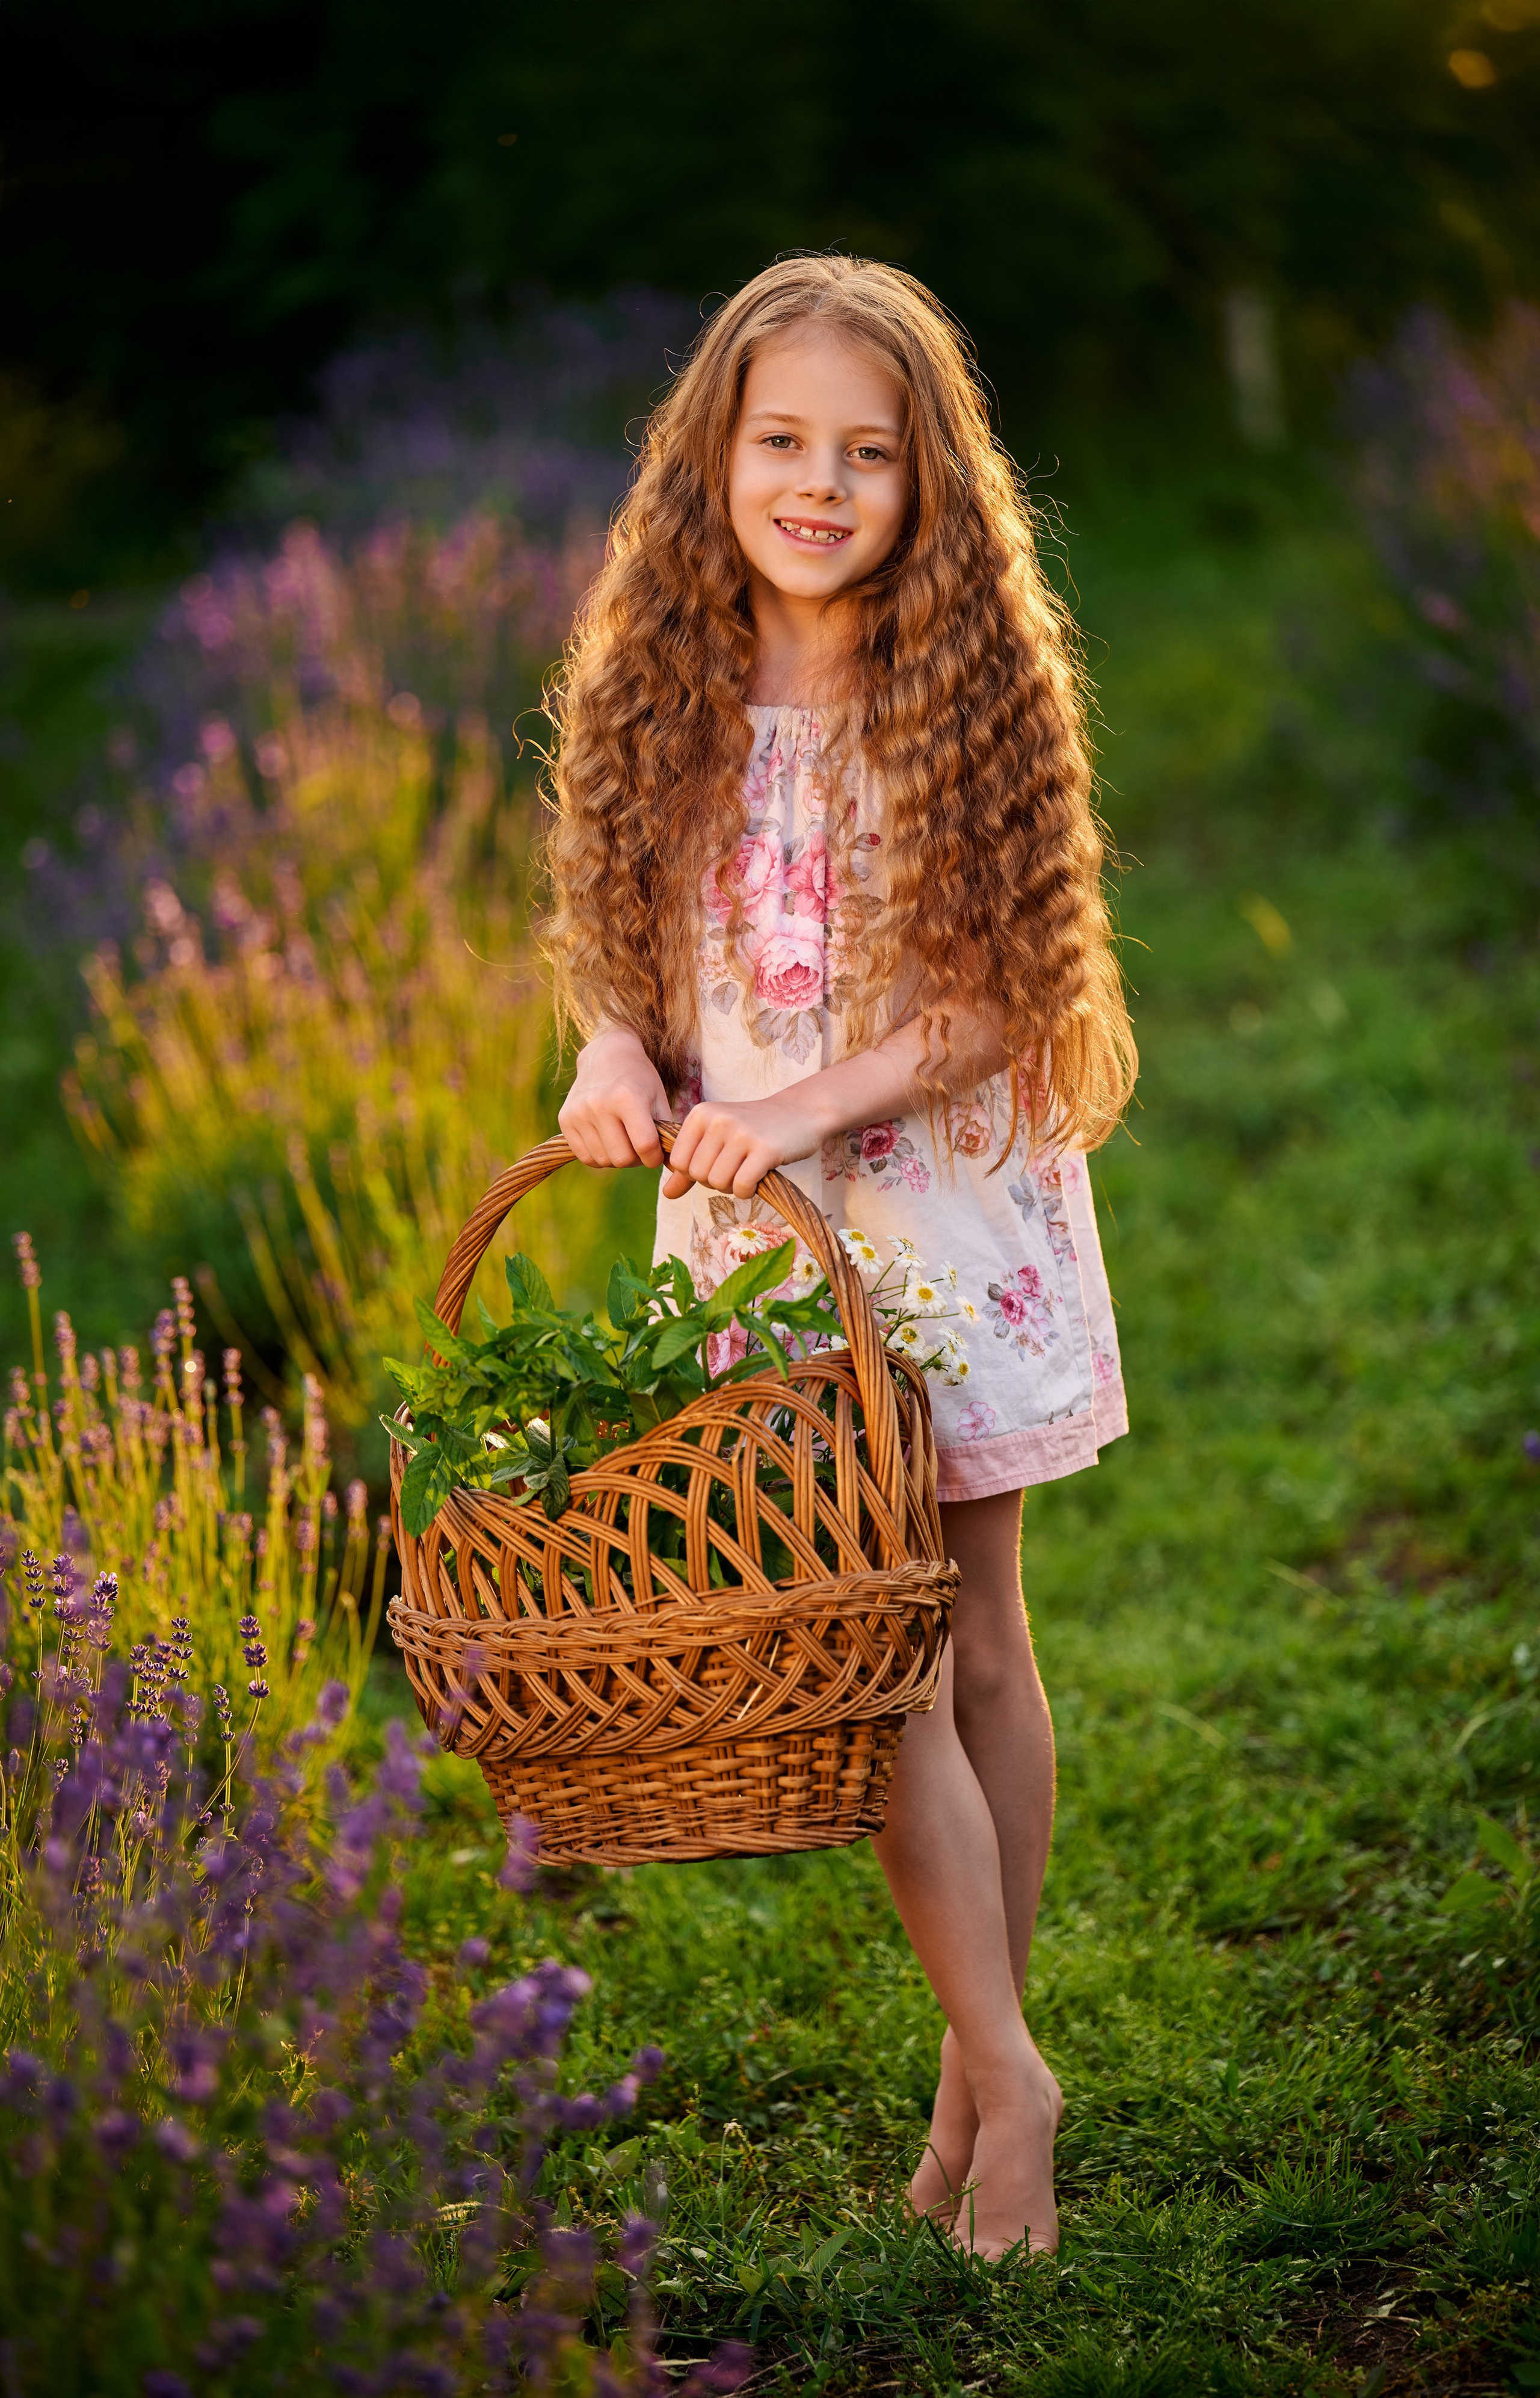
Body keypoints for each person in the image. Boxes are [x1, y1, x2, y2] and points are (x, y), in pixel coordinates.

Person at [544, 255, 1136, 2263]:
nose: (817, 483)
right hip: (763, 1251)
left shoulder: (958, 679)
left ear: (925, 481)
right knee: (872, 1654)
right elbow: (620, 956)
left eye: (865, 454)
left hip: (938, 1222)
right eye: (780, 441)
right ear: (712, 452)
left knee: (973, 1635)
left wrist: (799, 1105)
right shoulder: (663, 679)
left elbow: (997, 995)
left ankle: (984, 2081)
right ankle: (1011, 2059)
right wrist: (616, 1047)